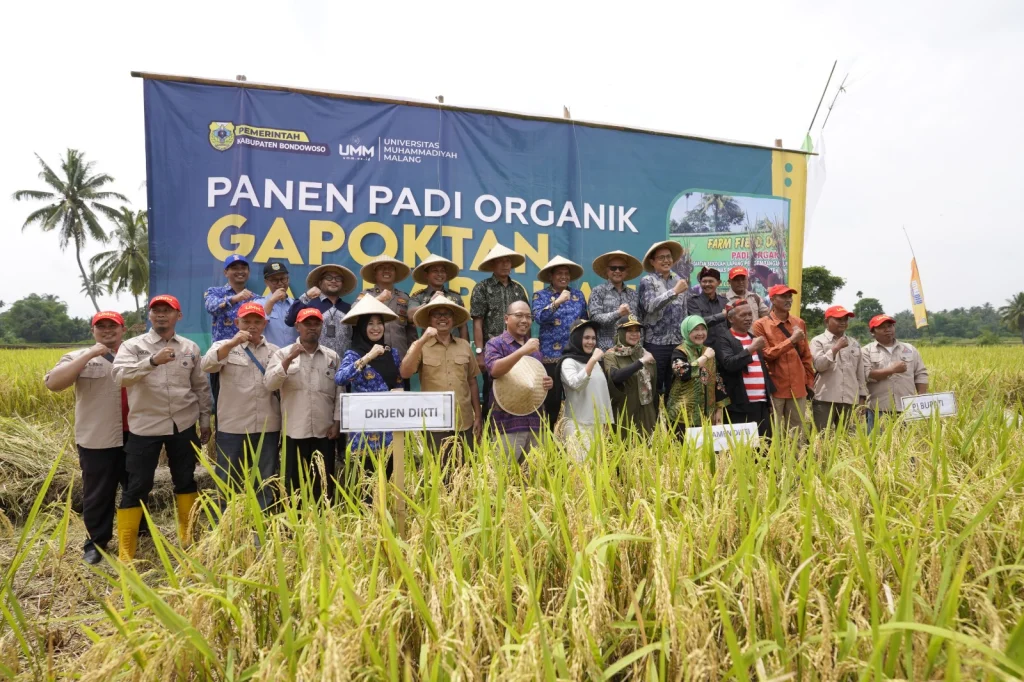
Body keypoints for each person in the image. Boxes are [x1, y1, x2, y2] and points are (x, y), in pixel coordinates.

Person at [112, 295, 213, 561]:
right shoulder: (133, 346)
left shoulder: (190, 348)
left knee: (186, 480)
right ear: (149, 316)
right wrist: (152, 362)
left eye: (167, 311)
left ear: (178, 316)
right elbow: (120, 377)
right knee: (137, 484)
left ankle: (186, 536)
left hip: (182, 424)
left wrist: (205, 420)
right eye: (156, 311)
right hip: (145, 426)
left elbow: (200, 387)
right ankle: (126, 550)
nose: (161, 315)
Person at [44, 311, 132, 564]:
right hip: (98, 436)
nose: (107, 331)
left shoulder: (136, 352)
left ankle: (137, 532)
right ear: (92, 331)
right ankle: (96, 543)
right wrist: (89, 354)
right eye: (100, 327)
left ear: (123, 329)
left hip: (137, 433)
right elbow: (53, 384)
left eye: (112, 326)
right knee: (98, 493)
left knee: (136, 487)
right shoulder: (77, 356)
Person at [201, 302, 280, 511]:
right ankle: (225, 526)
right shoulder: (223, 346)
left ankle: (263, 525)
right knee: (227, 480)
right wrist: (232, 343)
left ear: (265, 324)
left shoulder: (275, 351)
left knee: (265, 480)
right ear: (237, 323)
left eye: (257, 322)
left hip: (267, 426)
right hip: (232, 427)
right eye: (246, 321)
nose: (251, 326)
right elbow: (207, 365)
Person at [265, 308, 341, 503]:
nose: (312, 328)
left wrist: (337, 422)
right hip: (294, 431)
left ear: (322, 327)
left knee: (323, 485)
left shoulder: (331, 357)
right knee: (293, 485)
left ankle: (323, 525)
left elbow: (339, 393)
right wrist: (289, 358)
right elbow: (270, 384)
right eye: (307, 324)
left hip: (324, 432)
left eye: (316, 324)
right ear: (297, 326)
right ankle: (294, 527)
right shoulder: (282, 353)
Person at [400, 298, 480, 468]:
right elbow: (405, 372)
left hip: (464, 421)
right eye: (436, 314)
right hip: (434, 423)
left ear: (453, 319)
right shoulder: (421, 346)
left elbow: (472, 382)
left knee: (465, 471)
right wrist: (421, 341)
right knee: (438, 472)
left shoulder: (464, 346)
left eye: (446, 314)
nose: (442, 318)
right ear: (429, 320)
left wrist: (478, 417)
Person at [334, 296, 404, 488]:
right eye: (370, 324)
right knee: (365, 482)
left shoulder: (393, 353)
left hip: (389, 427)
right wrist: (368, 357)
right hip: (363, 429)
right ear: (362, 328)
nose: (375, 328)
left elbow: (399, 383)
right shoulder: (354, 354)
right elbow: (340, 378)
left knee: (389, 479)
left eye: (379, 323)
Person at [484, 301, 554, 463]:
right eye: (519, 315)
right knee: (503, 479)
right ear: (506, 318)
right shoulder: (496, 344)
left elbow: (531, 381)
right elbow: (494, 370)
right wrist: (523, 351)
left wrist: (546, 383)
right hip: (507, 426)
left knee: (534, 480)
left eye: (528, 317)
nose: (525, 320)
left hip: (536, 424)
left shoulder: (535, 350)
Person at [470, 243, 530, 419]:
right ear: (492, 265)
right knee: (491, 392)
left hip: (517, 347)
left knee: (519, 386)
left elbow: (525, 319)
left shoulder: (518, 289)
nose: (505, 265)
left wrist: (528, 349)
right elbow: (477, 322)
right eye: (500, 261)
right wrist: (480, 352)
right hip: (493, 350)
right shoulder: (482, 288)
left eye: (508, 261)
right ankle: (490, 433)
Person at [532, 255, 588, 432]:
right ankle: (547, 440)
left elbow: (584, 323)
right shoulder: (540, 295)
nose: (563, 277)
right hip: (550, 358)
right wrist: (557, 302)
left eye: (566, 273)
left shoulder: (578, 295)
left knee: (576, 400)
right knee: (552, 403)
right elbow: (539, 317)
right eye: (559, 274)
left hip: (574, 356)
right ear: (551, 276)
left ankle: (573, 440)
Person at [751, 284, 814, 439]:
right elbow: (766, 354)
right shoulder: (760, 324)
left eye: (789, 296)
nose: (788, 300)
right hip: (776, 386)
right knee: (774, 432)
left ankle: (796, 463)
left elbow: (806, 355)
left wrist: (808, 381)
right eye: (783, 296)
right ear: (772, 299)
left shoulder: (799, 323)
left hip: (798, 386)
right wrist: (791, 340)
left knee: (797, 433)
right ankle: (776, 463)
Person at [552, 320, 614, 460]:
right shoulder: (568, 362)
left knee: (598, 471)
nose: (591, 342)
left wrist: (607, 421)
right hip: (578, 426)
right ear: (577, 338)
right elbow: (577, 384)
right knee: (581, 474)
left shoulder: (595, 362)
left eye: (593, 338)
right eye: (586, 338)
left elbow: (601, 393)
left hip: (597, 425)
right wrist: (592, 361)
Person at [710, 305, 773, 438]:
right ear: (731, 318)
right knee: (742, 448)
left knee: (763, 446)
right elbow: (729, 364)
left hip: (761, 403)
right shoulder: (723, 339)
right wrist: (751, 349)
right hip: (738, 405)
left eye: (750, 314)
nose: (748, 318)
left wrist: (768, 400)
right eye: (743, 315)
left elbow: (763, 371)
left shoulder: (753, 338)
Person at [637, 240, 689, 401]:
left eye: (668, 256)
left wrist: (685, 341)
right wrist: (673, 292)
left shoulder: (679, 280)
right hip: (656, 344)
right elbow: (650, 306)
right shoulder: (648, 281)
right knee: (653, 386)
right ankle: (652, 424)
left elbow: (684, 312)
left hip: (677, 343)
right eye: (661, 257)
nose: (666, 260)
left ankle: (672, 423)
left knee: (675, 387)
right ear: (652, 262)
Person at [861, 314, 929, 432]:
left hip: (907, 408)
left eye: (890, 326)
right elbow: (867, 375)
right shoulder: (866, 351)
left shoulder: (909, 349)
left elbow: (921, 374)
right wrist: (892, 370)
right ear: (873, 332)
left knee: (908, 445)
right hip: (879, 409)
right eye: (882, 327)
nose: (888, 330)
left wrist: (921, 397)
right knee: (876, 445)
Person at [204, 254, 255, 408]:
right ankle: (221, 433)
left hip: (249, 358)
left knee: (248, 404)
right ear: (225, 272)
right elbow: (211, 307)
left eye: (243, 268)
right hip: (223, 359)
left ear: (249, 272)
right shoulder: (214, 292)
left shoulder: (255, 298)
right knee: (222, 406)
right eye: (234, 268)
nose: (240, 271)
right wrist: (235, 299)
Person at [809, 305, 866, 432]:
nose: (843, 322)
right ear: (826, 321)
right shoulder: (818, 341)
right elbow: (819, 365)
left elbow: (860, 372)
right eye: (839, 319)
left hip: (850, 399)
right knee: (821, 437)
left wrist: (862, 398)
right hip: (825, 399)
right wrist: (835, 348)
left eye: (845, 319)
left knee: (847, 439)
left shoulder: (854, 343)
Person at [666, 316, 727, 431]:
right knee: (681, 447)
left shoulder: (708, 351)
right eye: (695, 330)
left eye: (703, 329)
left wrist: (719, 410)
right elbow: (682, 372)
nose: (700, 333)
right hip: (682, 416)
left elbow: (717, 380)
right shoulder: (679, 351)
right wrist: (704, 358)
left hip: (706, 415)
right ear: (687, 331)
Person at [285, 263, 357, 359]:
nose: (334, 281)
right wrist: (306, 296)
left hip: (343, 364)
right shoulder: (309, 304)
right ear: (320, 282)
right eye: (328, 278)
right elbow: (289, 320)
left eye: (338, 279)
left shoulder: (349, 308)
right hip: (313, 362)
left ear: (342, 284)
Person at [602, 316, 659, 437]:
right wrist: (641, 362)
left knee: (648, 449)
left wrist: (655, 413)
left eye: (637, 330)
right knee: (625, 448)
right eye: (629, 331)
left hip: (646, 412)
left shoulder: (643, 353)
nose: (635, 334)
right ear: (621, 333)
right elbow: (615, 377)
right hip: (624, 411)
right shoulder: (611, 355)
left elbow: (654, 387)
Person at [354, 255, 417, 361]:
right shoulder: (366, 295)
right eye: (382, 267)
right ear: (375, 273)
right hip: (371, 357)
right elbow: (354, 310)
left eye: (391, 268)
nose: (386, 271)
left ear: (395, 273)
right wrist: (379, 299)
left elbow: (411, 330)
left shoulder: (404, 297)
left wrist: (413, 356)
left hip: (400, 358)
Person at [588, 250, 642, 350]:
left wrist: (639, 348)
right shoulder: (598, 291)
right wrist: (618, 313)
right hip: (606, 350)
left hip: (630, 351)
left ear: (626, 272)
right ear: (607, 271)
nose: (617, 271)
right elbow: (594, 318)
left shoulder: (633, 294)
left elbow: (639, 323)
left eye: (621, 268)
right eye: (613, 268)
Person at [408, 254, 470, 340]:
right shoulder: (419, 296)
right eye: (435, 271)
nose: (439, 274)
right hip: (429, 345)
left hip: (454, 345)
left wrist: (464, 345)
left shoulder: (455, 297)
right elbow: (410, 316)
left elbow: (462, 325)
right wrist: (429, 303)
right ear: (426, 275)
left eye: (442, 271)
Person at [686, 266, 744, 341]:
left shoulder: (724, 301)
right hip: (703, 347)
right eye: (704, 281)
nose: (707, 284)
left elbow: (730, 325)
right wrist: (722, 315)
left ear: (718, 283)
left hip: (723, 347)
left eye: (710, 281)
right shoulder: (693, 301)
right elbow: (698, 322)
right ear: (700, 283)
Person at [254, 261, 298, 348]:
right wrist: (271, 301)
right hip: (268, 356)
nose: (280, 283)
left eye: (283, 279)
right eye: (274, 280)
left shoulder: (295, 304)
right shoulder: (258, 304)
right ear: (266, 282)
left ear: (288, 279)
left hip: (293, 356)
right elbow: (256, 326)